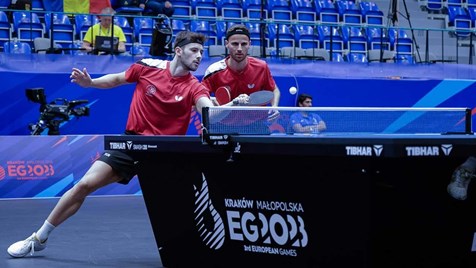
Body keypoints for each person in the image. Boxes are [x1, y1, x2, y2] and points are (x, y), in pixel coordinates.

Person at [7, 30, 249, 258]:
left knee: (184, 204)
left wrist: (232, 106)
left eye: (201, 52)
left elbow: (209, 111)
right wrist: (91, 83)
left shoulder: (194, 87)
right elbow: (116, 79)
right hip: (131, 143)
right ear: (178, 51)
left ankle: (200, 251)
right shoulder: (148, 67)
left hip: (165, 153)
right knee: (84, 185)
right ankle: (38, 238)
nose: (199, 57)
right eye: (194, 50)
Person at [201, 24, 281, 108]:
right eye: (235, 44)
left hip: (257, 120)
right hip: (225, 120)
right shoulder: (214, 71)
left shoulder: (261, 67)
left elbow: (274, 90)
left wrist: (274, 107)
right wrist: (211, 101)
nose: (239, 49)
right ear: (226, 44)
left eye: (243, 44)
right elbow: (200, 96)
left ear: (249, 44)